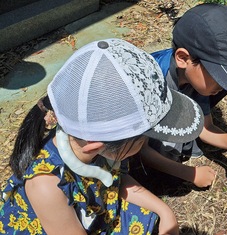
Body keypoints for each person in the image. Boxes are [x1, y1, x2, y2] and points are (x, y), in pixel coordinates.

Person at [0, 38, 206, 234]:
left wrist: (165, 211)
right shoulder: (45, 186)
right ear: (96, 145)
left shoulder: (91, 140)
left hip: (95, 209)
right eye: (142, 139)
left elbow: (116, 178)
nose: (146, 144)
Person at [146, 3, 227, 175]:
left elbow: (204, 127)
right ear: (183, 58)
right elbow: (140, 150)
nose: (222, 86)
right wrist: (190, 174)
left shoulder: (197, 79)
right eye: (218, 76)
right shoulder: (151, 85)